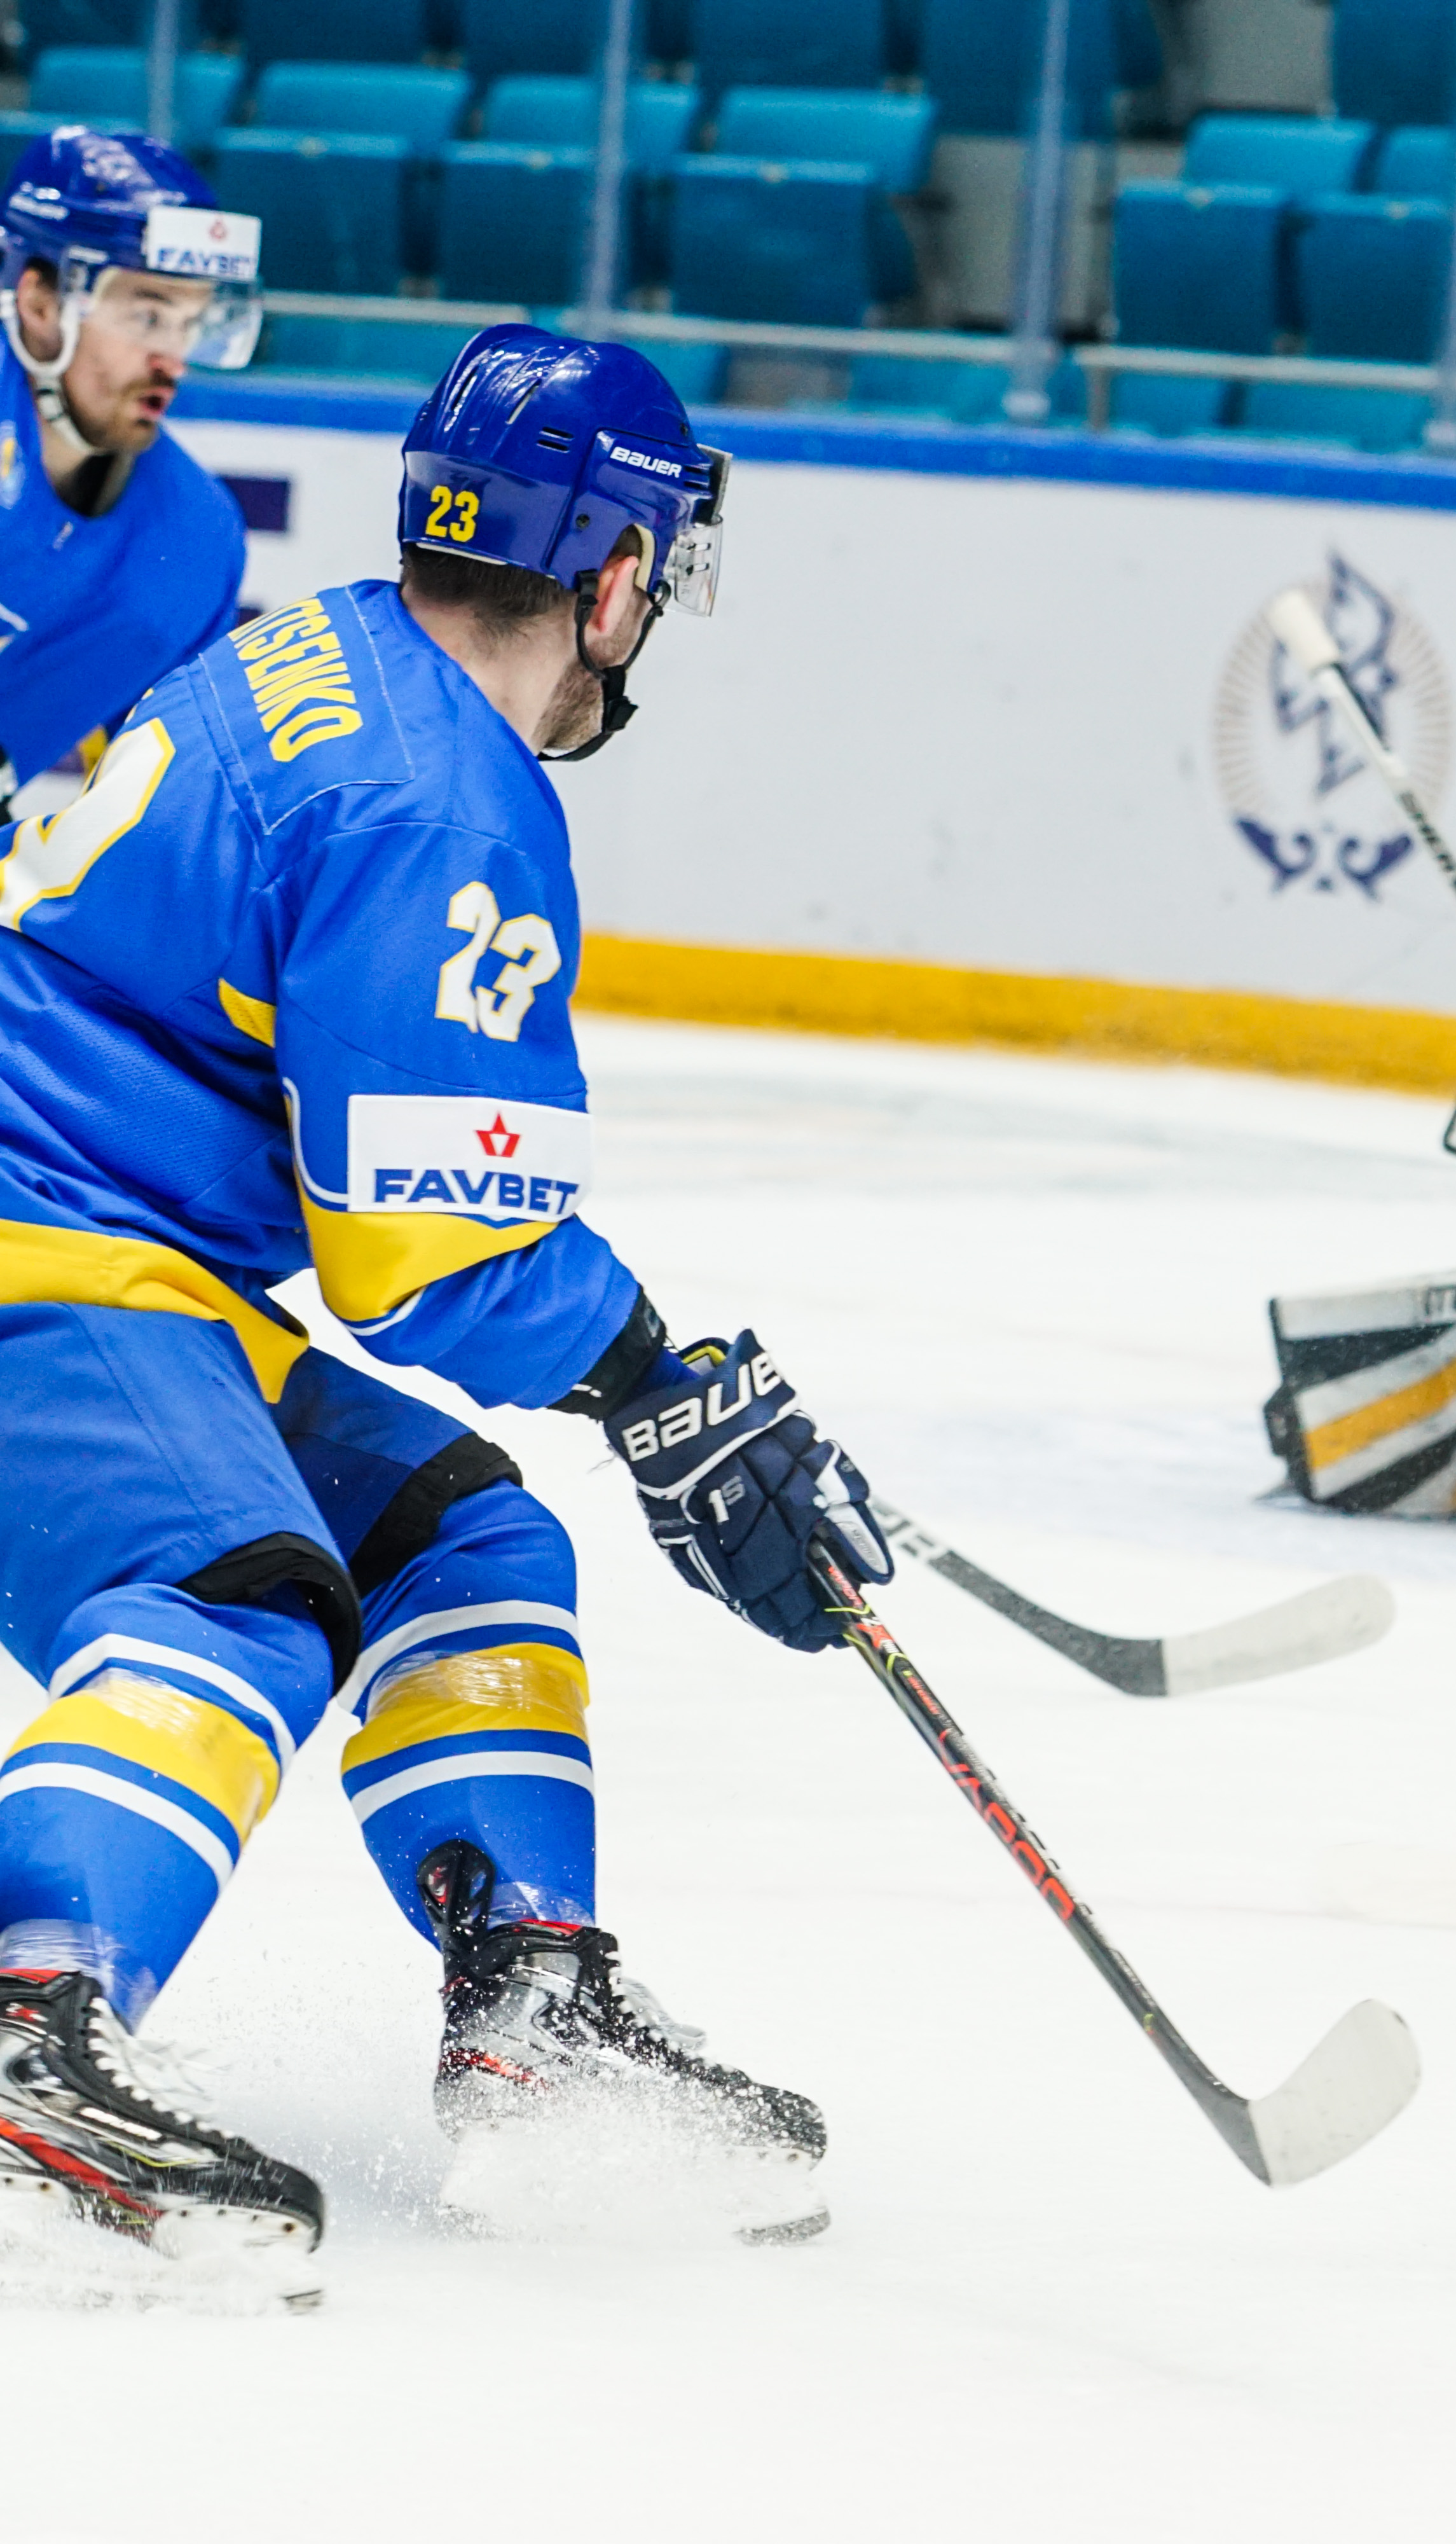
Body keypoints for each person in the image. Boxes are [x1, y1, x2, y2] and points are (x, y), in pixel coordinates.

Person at [0, 325, 894, 2298]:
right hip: (43, 1244)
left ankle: (533, 2015)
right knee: (234, 1585)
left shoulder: (338, 648)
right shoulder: (441, 804)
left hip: (112, 1247)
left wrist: (648, 1387)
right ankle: (23, 2022)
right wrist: (661, 1380)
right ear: (616, 575)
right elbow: (418, 1257)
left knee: (459, 1536)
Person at [0, 127, 258, 816]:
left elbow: (160, 811)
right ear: (40, 303)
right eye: (148, 315)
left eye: (190, 322)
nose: (174, 359)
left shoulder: (195, 542)